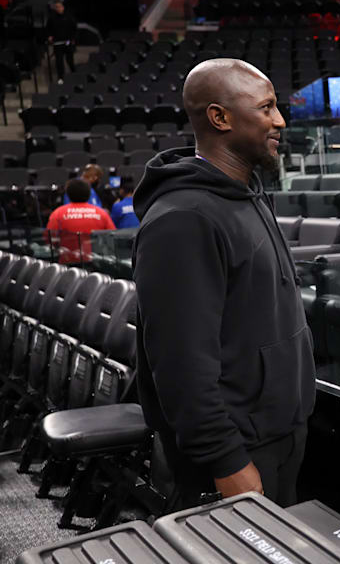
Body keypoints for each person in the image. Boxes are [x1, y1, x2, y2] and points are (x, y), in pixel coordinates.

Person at [132, 58, 313, 510]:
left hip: (277, 433)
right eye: (267, 108)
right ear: (220, 117)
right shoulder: (183, 220)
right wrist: (226, 460)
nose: (279, 120)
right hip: (236, 454)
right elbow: (179, 364)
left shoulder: (247, 192)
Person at [45, 178, 115, 264]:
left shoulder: (58, 213)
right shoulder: (101, 213)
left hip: (68, 265)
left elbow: (49, 239)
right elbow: (112, 237)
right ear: (89, 194)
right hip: (96, 263)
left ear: (68, 194)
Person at [46, 0, 76, 82]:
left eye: (60, 7)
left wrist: (72, 39)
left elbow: (74, 28)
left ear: (63, 7)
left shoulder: (69, 17)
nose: (58, 9)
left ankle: (74, 73)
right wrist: (49, 36)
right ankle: (61, 78)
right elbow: (48, 29)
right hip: (57, 44)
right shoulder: (52, 18)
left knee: (70, 60)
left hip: (67, 42)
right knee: (59, 61)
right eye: (57, 7)